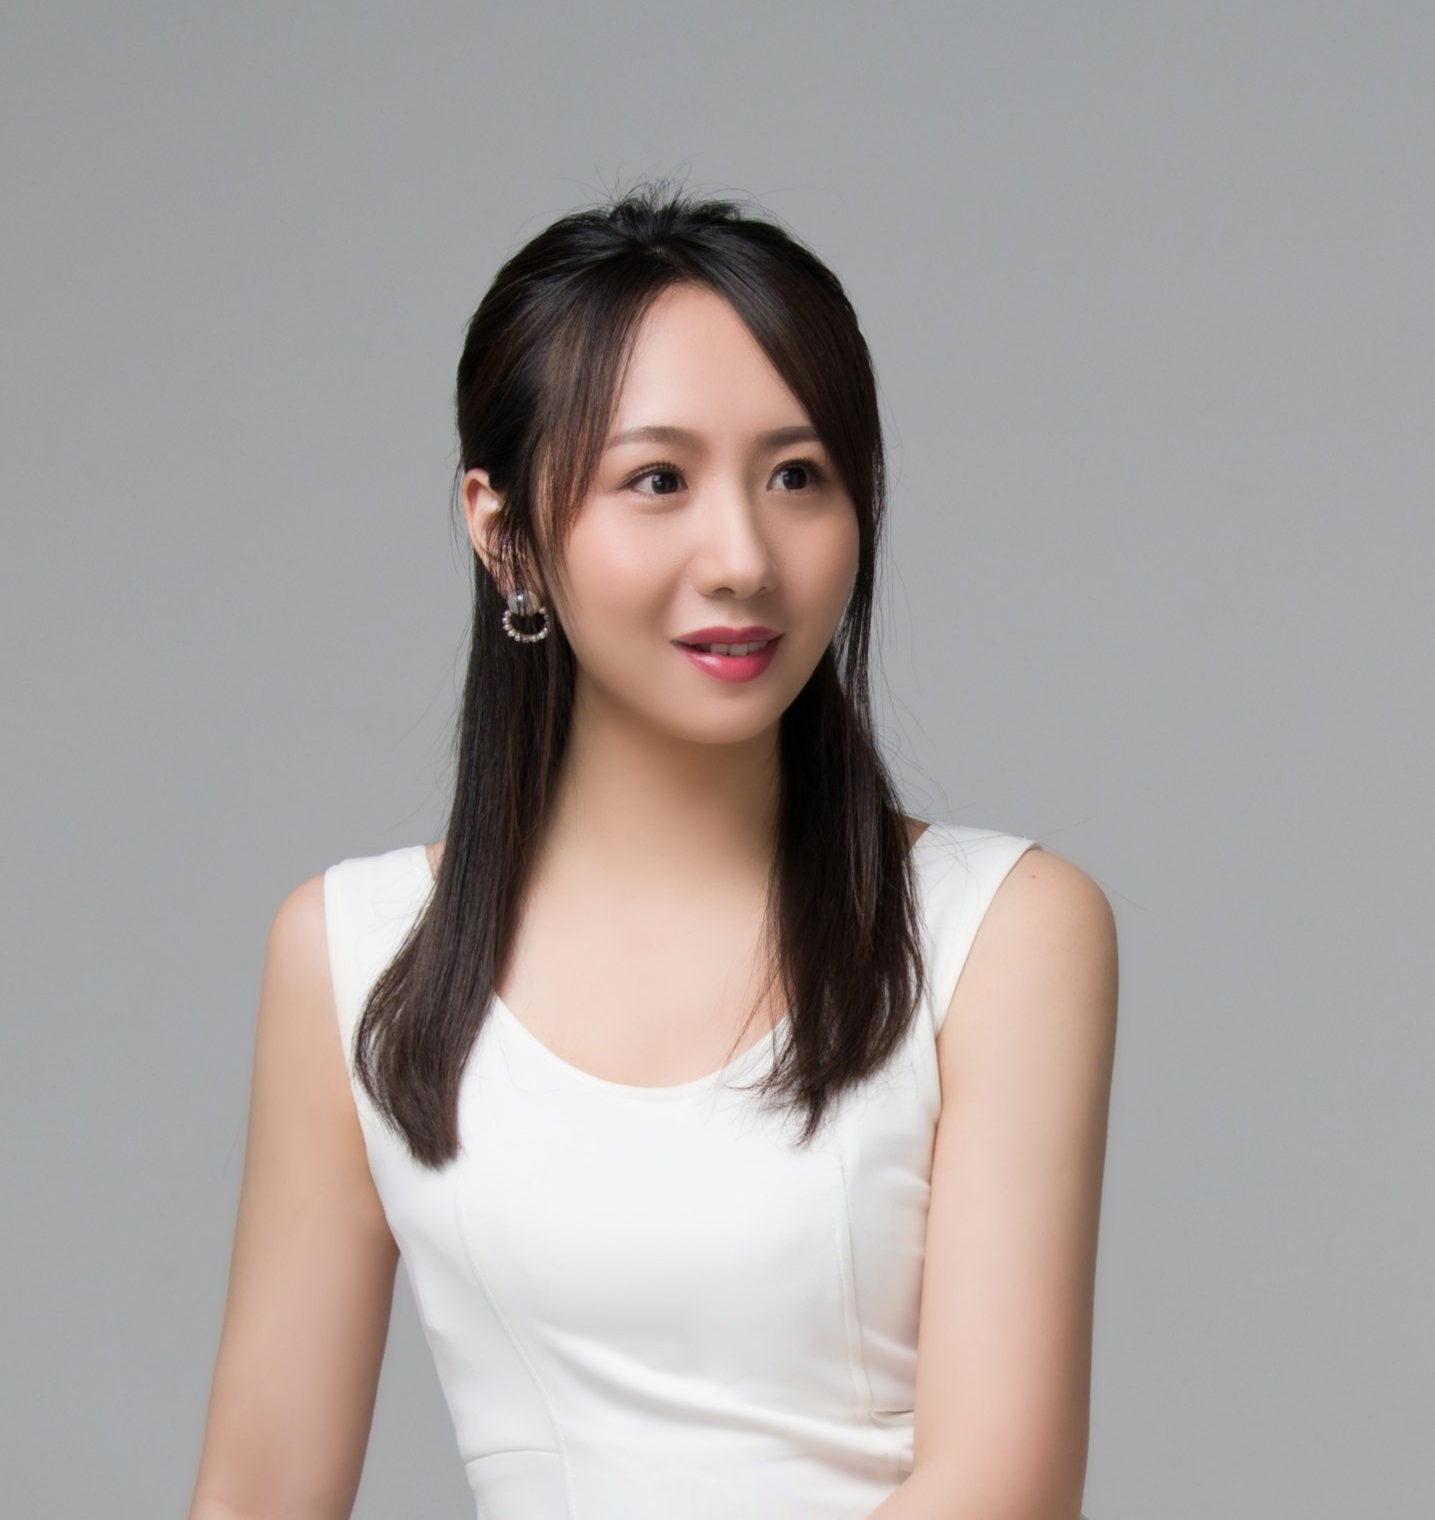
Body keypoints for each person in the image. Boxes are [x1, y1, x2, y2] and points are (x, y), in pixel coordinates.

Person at [188, 182, 1117, 1520]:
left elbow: (1002, 1489)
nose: (742, 558)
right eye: (658, 481)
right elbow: (258, 1490)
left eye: (796, 476)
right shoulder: (356, 953)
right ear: (503, 531)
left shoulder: (1002, 930)